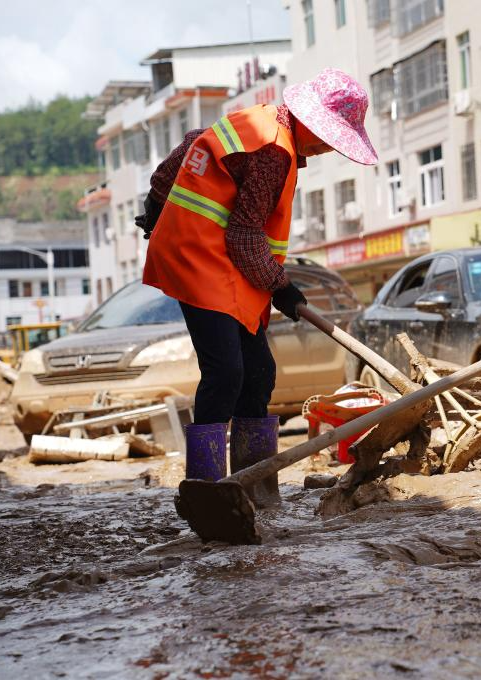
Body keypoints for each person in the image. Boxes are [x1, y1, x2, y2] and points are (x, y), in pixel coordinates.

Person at [136, 68, 377, 507]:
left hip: (224, 264)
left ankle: (254, 489)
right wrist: (282, 288)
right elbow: (245, 235)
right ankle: (206, 493)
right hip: (199, 260)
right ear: (307, 119)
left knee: (259, 372)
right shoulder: (273, 151)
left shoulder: (261, 120)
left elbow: (194, 140)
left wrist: (156, 198)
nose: (326, 149)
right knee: (226, 373)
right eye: (327, 138)